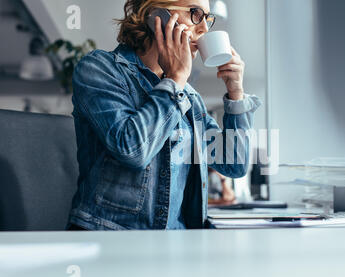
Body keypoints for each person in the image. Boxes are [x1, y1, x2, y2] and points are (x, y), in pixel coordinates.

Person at [66, 0, 261, 231]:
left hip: (175, 245)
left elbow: (234, 165)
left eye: (208, 19)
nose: (204, 30)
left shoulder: (189, 96)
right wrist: (176, 78)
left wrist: (236, 93)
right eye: (195, 14)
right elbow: (133, 150)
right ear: (156, 15)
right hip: (112, 239)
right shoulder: (99, 68)